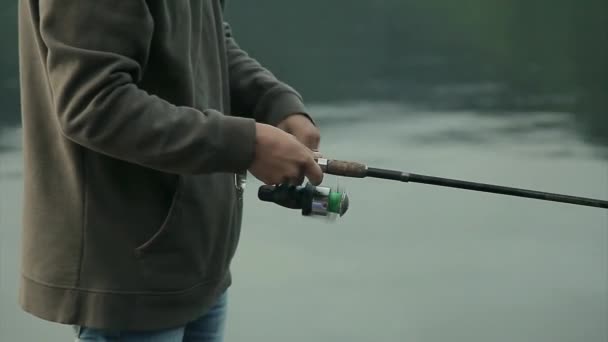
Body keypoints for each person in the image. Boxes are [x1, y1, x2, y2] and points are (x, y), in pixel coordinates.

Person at [17, 0, 323, 341]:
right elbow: (94, 104)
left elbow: (206, 37)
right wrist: (245, 145)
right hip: (129, 278)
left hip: (198, 264)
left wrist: (272, 100)